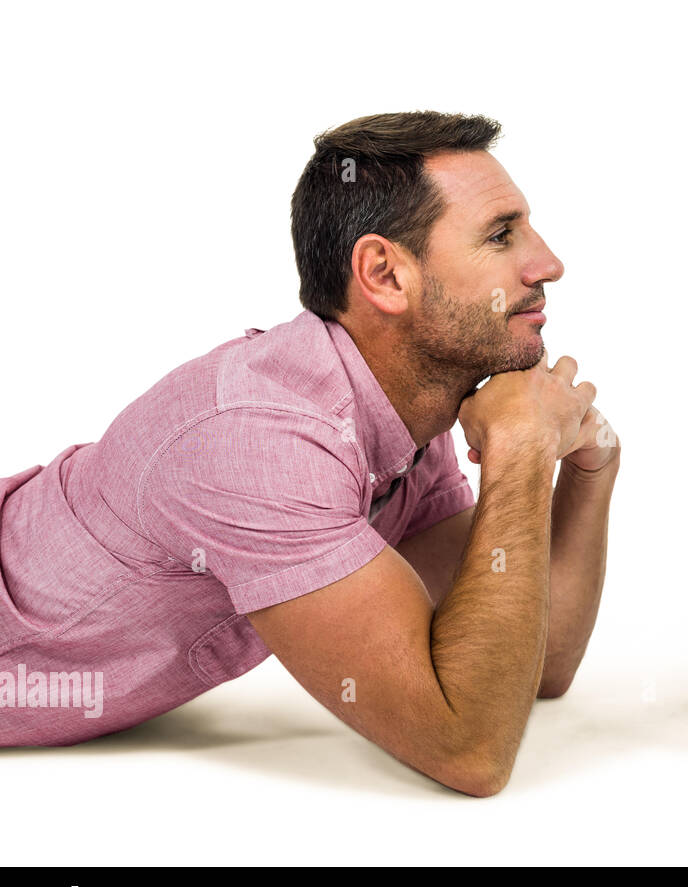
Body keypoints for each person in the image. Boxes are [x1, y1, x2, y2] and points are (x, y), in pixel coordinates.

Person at [0, 111, 620, 797]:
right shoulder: (262, 444)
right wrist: (523, 452)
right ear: (384, 274)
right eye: (502, 234)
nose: (548, 263)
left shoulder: (406, 416)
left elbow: (541, 661)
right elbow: (469, 749)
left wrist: (589, 467)